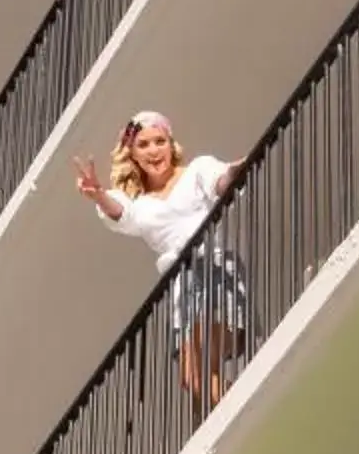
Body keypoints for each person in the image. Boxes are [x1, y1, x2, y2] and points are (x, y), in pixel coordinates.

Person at [74, 111, 248, 410]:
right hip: (182, 286)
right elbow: (121, 214)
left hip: (215, 270)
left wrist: (238, 167)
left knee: (203, 365)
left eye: (160, 141)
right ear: (132, 155)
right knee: (193, 381)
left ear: (171, 144)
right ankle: (242, 411)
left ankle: (251, 404)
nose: (154, 150)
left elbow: (220, 182)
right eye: (143, 145)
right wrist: (99, 195)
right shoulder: (138, 202)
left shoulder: (197, 170)